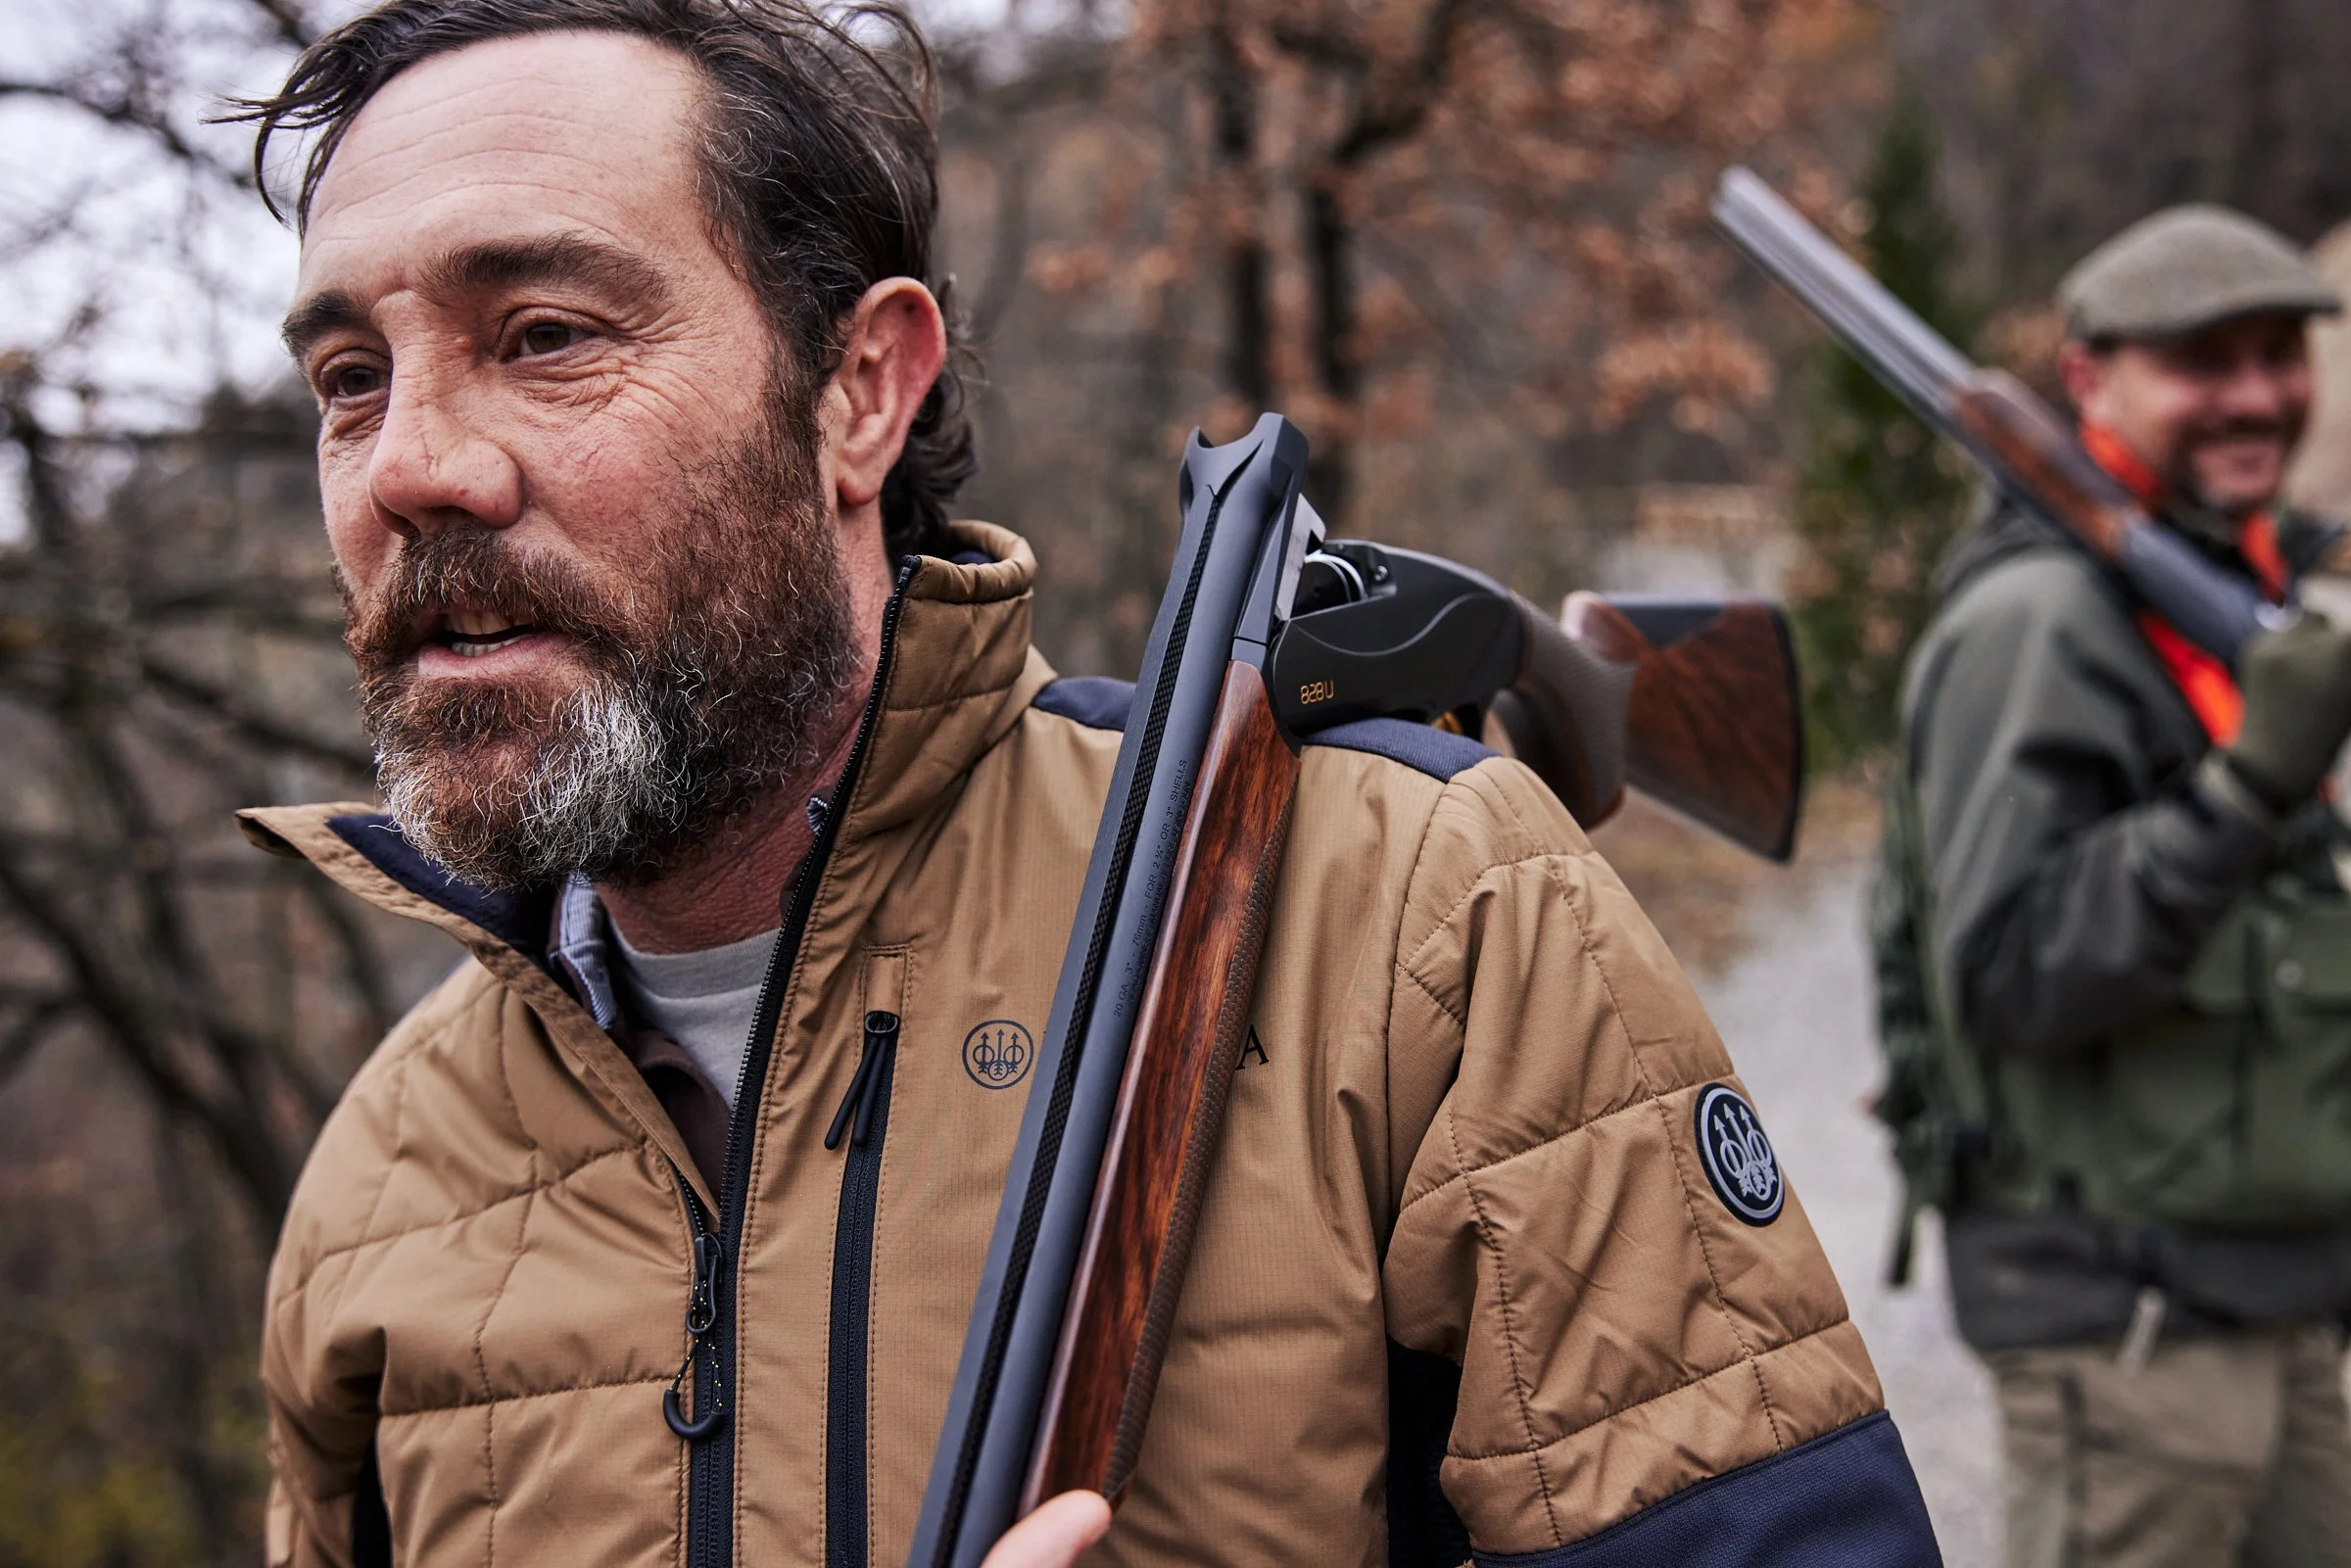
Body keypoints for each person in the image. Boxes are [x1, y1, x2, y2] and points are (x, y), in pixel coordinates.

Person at [236, 3, 1942, 1564]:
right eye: (348, 381)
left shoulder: (1418, 911)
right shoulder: (377, 1181)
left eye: (544, 335)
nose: (409, 468)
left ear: (860, 391)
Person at [1879, 205, 2351, 1568]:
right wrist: (2245, 790)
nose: (2256, 395)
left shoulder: (2226, 586)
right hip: (2127, 1321)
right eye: (2203, 361)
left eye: (2279, 354)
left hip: (2273, 1299)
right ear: (2089, 378)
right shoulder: (2038, 622)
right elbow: (2011, 975)